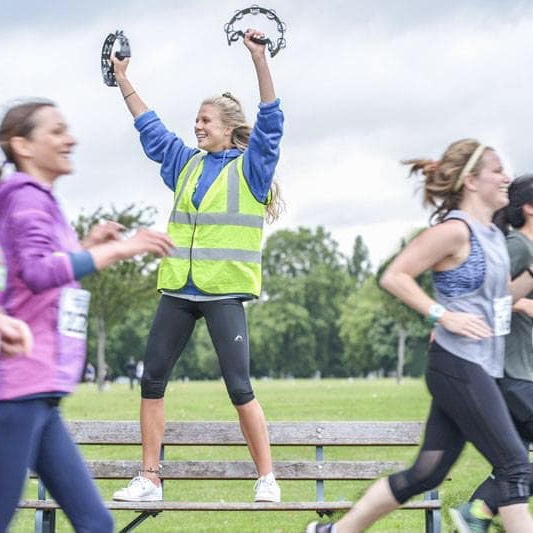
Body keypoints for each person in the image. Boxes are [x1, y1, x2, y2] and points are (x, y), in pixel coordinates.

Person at [306, 139, 533, 533]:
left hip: (479, 368)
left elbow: (498, 301)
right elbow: (394, 275)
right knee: (514, 467)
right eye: (496, 170)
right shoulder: (455, 232)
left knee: (426, 473)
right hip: (457, 364)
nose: (506, 178)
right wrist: (442, 315)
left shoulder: (494, 236)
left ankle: (332, 532)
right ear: (471, 180)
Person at [110, 28, 284, 503]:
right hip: (178, 292)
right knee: (152, 379)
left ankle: (266, 478)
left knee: (239, 385)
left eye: (205, 121)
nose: (197, 127)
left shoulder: (251, 169)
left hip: (223, 292)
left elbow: (271, 122)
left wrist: (259, 61)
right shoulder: (184, 164)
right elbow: (151, 128)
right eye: (196, 121)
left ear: (228, 129)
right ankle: (149, 478)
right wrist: (123, 77)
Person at [0, 99, 173, 533]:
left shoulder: (41, 201)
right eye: (56, 131)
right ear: (22, 145)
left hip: (41, 393)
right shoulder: (25, 197)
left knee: (96, 524)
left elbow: (39, 273)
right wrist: (117, 249)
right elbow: (39, 272)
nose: (70, 139)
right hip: (17, 391)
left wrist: (86, 246)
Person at [449, 173, 533, 533]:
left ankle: (478, 511)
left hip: (520, 371)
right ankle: (479, 512)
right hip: (512, 374)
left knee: (514, 464)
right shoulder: (516, 246)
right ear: (529, 208)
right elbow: (479, 299)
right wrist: (523, 304)